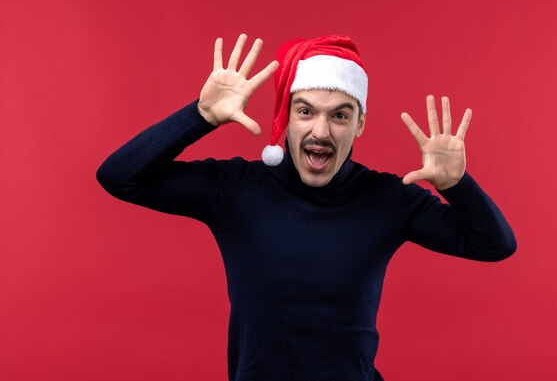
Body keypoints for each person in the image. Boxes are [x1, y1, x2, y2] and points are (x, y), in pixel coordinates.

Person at [96, 33, 516, 381]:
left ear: (360, 123)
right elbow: (119, 176)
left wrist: (457, 185)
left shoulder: (389, 198)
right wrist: (201, 115)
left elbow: (494, 245)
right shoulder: (237, 187)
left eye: (339, 116)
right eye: (305, 111)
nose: (320, 130)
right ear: (287, 117)